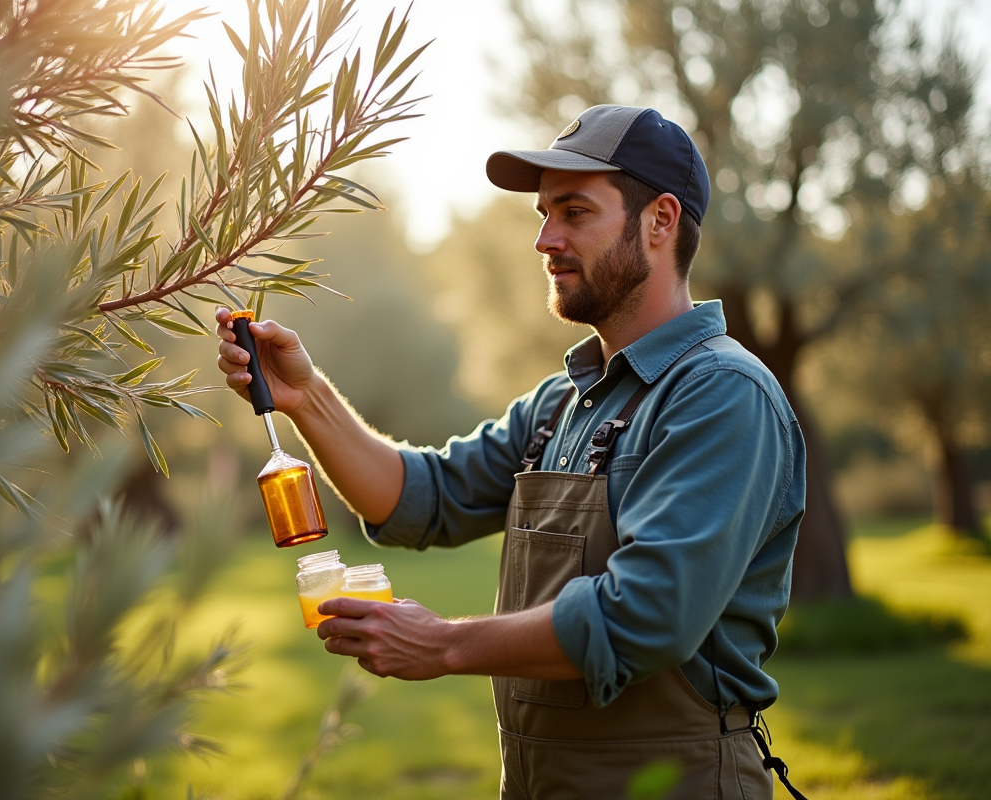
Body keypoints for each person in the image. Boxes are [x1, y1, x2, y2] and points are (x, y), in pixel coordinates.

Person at [215, 105, 808, 800]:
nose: (544, 239)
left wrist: (441, 645)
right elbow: (420, 498)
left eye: (574, 212)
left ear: (661, 221)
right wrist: (305, 397)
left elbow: (648, 614)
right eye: (542, 213)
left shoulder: (720, 395)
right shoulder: (562, 403)